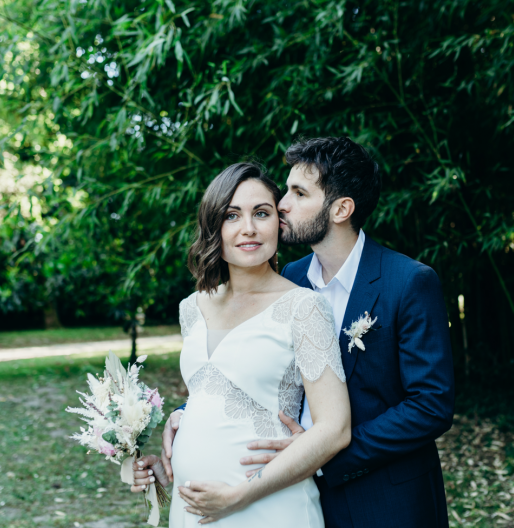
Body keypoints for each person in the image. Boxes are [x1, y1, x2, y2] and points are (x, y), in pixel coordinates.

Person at [158, 138, 455, 527]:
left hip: (385, 496)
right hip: (292, 489)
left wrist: (323, 454)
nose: (282, 204)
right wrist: (187, 415)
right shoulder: (290, 279)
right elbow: (259, 367)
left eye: (298, 193)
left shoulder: (408, 282)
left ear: (341, 208)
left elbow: (430, 405)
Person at [130, 162, 352, 527]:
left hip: (270, 505)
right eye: (232, 215)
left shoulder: (304, 307)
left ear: (278, 224)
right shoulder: (192, 307)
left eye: (261, 213)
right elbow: (211, 401)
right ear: (213, 225)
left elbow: (335, 428)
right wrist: (164, 464)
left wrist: (240, 496)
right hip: (194, 509)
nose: (248, 228)